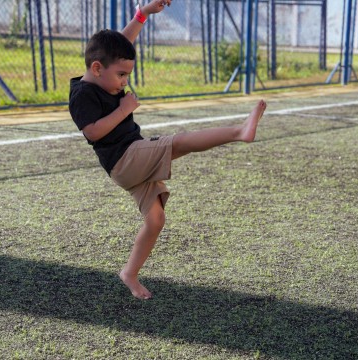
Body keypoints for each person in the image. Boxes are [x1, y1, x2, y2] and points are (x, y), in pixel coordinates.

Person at [69, 0, 267, 299]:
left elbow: (121, 45)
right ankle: (239, 132)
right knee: (180, 142)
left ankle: (129, 273)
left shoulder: (105, 72)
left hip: (129, 161)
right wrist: (124, 109)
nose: (125, 81)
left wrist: (142, 14)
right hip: (125, 158)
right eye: (121, 75)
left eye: (127, 75)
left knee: (156, 220)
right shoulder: (82, 94)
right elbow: (92, 132)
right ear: (96, 68)